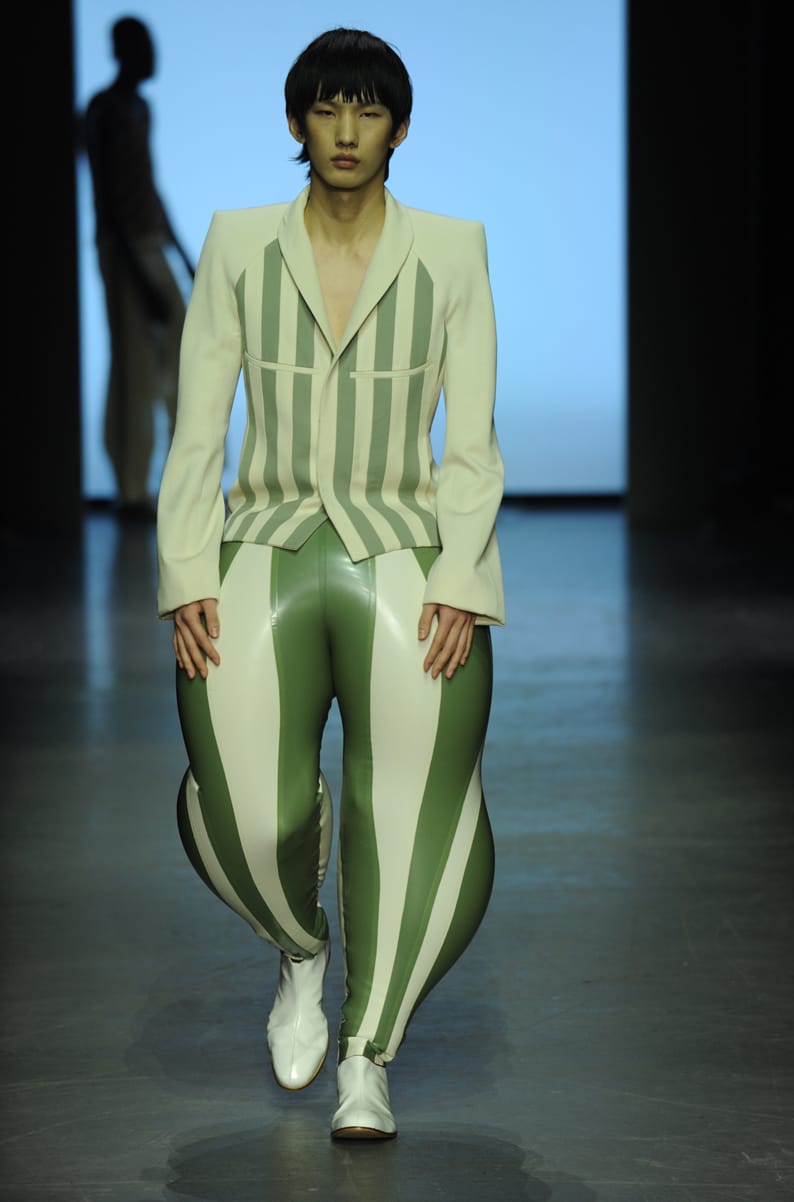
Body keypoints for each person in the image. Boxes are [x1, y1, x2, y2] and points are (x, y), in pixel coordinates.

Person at [156, 27, 505, 1141]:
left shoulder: (451, 250)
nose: (346, 130)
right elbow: (198, 426)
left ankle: (367, 1055)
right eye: (326, 108)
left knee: (409, 810)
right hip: (261, 539)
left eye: (368, 110)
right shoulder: (237, 241)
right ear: (297, 122)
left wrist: (464, 576)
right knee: (249, 809)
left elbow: (471, 441)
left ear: (399, 127)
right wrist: (183, 570)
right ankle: (300, 949)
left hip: (404, 545)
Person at [85, 16, 194, 518]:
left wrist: (182, 256)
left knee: (176, 350)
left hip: (147, 244)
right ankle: (132, 489)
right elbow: (108, 195)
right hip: (122, 249)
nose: (153, 57)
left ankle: (176, 475)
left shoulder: (138, 109)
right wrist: (135, 269)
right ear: (124, 51)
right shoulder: (105, 110)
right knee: (132, 365)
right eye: (144, 47)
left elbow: (149, 186)